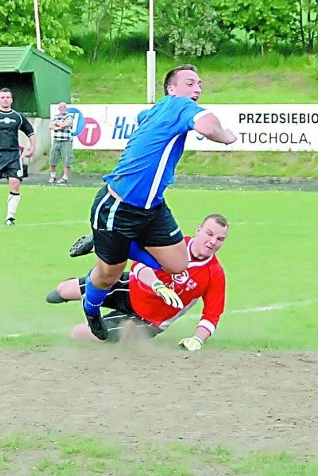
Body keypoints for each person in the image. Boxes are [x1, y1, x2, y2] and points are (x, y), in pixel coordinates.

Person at [81, 64, 237, 341]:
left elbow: (144, 117)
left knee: (178, 264)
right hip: (118, 207)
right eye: (190, 83)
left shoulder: (161, 109)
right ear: (172, 89)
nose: (197, 89)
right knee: (108, 276)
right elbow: (209, 125)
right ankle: (91, 309)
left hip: (153, 208)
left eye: (200, 84)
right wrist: (227, 136)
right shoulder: (179, 106)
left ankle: (107, 243)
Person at [47, 214, 229, 350]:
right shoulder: (174, 245)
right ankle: (97, 254)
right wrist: (157, 285)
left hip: (149, 319)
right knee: (61, 291)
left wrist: (197, 339)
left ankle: (116, 323)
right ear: (199, 230)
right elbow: (139, 265)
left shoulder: (215, 274)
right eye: (209, 234)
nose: (213, 242)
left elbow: (212, 315)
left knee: (78, 334)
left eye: (219, 239)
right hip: (132, 287)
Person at [0, 88, 36, 226]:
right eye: (2, 97)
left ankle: (10, 217)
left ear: (11, 100)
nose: (5, 100)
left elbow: (31, 132)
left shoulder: (18, 116)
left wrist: (32, 148)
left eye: (7, 97)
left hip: (13, 154)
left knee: (15, 183)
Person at [48, 102, 74, 184]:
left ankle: (65, 177)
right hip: (56, 140)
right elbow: (50, 126)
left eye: (64, 107)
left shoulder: (69, 116)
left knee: (67, 159)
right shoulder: (55, 117)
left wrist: (57, 125)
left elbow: (66, 124)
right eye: (61, 107)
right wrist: (59, 126)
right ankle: (53, 176)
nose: (62, 109)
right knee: (53, 158)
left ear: (66, 108)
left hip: (66, 141)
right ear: (58, 109)